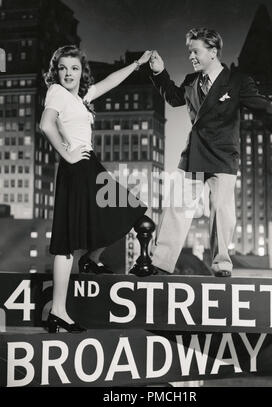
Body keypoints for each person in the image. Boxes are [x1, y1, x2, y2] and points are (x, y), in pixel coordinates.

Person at [149, 27, 272, 277]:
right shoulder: (190, 81)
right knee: (176, 207)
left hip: (223, 156)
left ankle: (221, 264)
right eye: (189, 52)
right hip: (194, 154)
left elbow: (263, 107)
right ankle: (160, 263)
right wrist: (159, 72)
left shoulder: (237, 81)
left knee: (221, 210)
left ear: (213, 52)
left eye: (195, 51)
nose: (191, 57)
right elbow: (174, 98)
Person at [40, 45, 152, 332]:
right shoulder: (57, 92)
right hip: (77, 168)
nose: (68, 73)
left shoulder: (80, 98)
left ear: (81, 72)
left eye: (74, 68)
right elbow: (45, 125)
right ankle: (59, 311)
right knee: (67, 241)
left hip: (89, 166)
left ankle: (90, 259)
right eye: (63, 68)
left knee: (127, 209)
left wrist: (138, 64)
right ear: (56, 71)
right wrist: (67, 155)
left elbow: (111, 81)